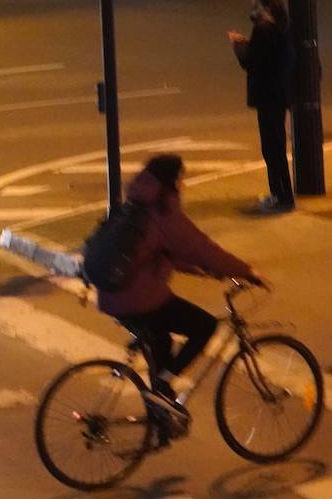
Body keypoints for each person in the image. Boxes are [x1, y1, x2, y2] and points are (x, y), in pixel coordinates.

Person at [96, 155, 263, 427]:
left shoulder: (134, 205)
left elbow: (155, 251)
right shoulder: (164, 211)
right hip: (140, 299)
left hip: (111, 295)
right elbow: (201, 247)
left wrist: (196, 269)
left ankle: (159, 418)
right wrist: (246, 271)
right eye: (180, 178)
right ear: (172, 181)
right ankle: (162, 386)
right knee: (205, 326)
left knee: (161, 342)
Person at [229, 0, 294, 212]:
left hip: (268, 94)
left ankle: (280, 195)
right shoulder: (279, 21)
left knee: (271, 147)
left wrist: (239, 45)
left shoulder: (264, 26)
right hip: (278, 92)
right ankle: (282, 194)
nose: (251, 0)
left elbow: (252, 61)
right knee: (275, 146)